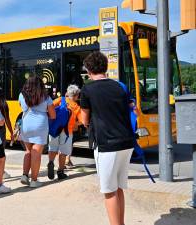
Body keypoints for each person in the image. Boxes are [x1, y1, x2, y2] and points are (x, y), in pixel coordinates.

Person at [80, 51, 134, 225]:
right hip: (126, 143)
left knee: (109, 192)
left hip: (106, 144)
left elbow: (84, 119)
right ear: (105, 67)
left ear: (88, 70)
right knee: (118, 188)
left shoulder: (87, 89)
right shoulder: (119, 86)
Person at [18, 76, 56, 188]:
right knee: (36, 154)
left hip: (26, 125)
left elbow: (21, 107)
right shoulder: (46, 97)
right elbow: (53, 115)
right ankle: (34, 180)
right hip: (40, 126)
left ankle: (25, 175)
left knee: (28, 151)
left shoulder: (21, 95)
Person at [47, 84, 82, 180]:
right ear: (76, 96)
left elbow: (49, 108)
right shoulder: (76, 107)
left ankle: (51, 162)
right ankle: (60, 171)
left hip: (54, 128)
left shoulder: (60, 99)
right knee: (63, 152)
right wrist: (75, 123)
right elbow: (82, 121)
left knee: (52, 148)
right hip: (67, 131)